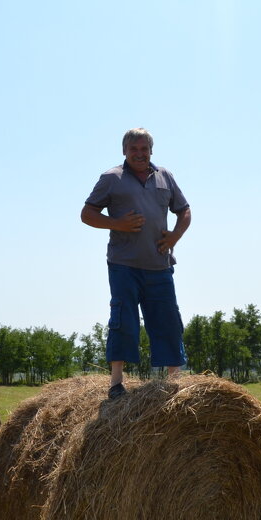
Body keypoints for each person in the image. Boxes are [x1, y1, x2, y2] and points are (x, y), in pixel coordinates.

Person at [81, 128, 192, 399]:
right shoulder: (111, 178)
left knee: (167, 320)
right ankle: (117, 383)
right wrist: (116, 223)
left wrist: (175, 235)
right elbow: (87, 213)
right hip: (123, 264)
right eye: (134, 149)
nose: (139, 154)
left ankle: (173, 383)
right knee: (124, 319)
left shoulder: (165, 176)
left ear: (151, 150)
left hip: (159, 264)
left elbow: (185, 210)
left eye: (144, 149)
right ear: (124, 151)